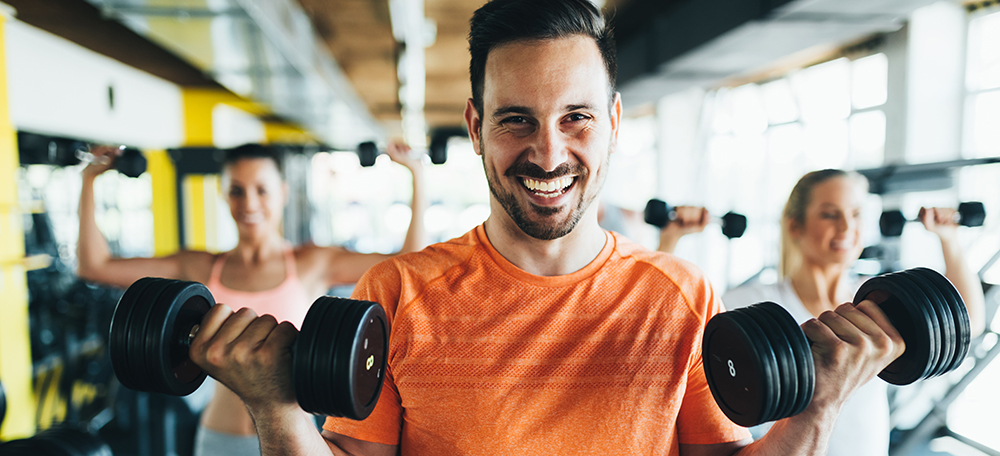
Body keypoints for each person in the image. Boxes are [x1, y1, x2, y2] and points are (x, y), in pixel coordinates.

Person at [185, 1, 909, 455]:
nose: (549, 151)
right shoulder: (396, 293)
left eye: (576, 118)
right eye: (515, 120)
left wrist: (816, 410)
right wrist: (277, 412)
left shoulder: (680, 295)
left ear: (615, 123)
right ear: (475, 127)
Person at [77, 141, 427, 455]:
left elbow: (409, 261)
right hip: (220, 436)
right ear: (224, 195)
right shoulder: (200, 266)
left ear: (283, 193)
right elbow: (96, 266)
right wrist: (89, 179)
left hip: (295, 437)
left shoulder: (312, 263)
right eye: (237, 191)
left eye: (262, 190)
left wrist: (417, 175)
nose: (249, 203)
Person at [660, 169, 986, 456]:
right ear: (795, 226)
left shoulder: (881, 304)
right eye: (830, 214)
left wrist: (950, 240)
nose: (846, 226)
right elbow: (663, 332)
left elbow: (963, 327)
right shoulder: (749, 301)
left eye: (856, 214)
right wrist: (670, 239)